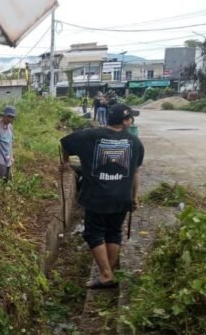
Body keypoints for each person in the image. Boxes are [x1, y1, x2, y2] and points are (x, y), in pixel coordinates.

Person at [60, 103, 145, 289]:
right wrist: (134, 196)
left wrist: (66, 161)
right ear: (124, 120)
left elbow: (65, 142)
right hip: (121, 197)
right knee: (113, 232)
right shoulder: (135, 142)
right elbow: (136, 172)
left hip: (96, 197)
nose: (131, 121)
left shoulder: (89, 136)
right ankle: (108, 272)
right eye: (130, 117)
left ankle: (106, 274)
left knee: (94, 233)